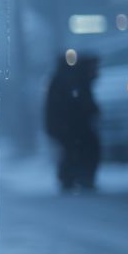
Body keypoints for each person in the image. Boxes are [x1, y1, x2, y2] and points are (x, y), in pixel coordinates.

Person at [44, 53, 101, 191]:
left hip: (67, 126)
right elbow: (81, 103)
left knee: (73, 151)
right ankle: (78, 179)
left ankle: (71, 179)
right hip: (70, 126)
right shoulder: (74, 79)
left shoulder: (67, 77)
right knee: (79, 150)